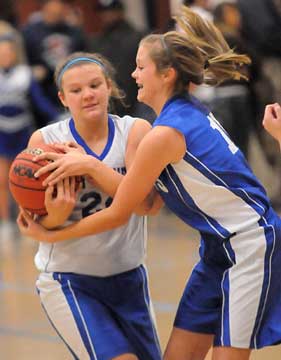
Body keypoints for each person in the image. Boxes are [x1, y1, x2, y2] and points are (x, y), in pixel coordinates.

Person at [17, 6, 281, 360]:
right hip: (216, 247)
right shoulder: (177, 115)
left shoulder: (160, 133)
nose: (134, 73)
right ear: (63, 98)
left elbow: (128, 208)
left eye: (141, 66)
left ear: (167, 74)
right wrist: (54, 213)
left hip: (251, 243)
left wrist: (51, 232)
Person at [17, 52, 162, 360]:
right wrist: (55, 216)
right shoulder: (44, 140)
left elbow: (146, 204)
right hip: (69, 280)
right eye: (77, 90)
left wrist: (91, 167)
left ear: (109, 86)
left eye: (95, 85)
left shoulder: (134, 132)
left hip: (129, 277)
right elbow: (33, 223)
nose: (88, 95)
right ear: (63, 98)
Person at [0, 28, 59, 234]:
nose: (5, 55)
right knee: (1, 179)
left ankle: (26, 216)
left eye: (8, 52)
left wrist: (57, 115)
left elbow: (39, 102)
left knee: (24, 178)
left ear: (14, 53)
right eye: (1, 52)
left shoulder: (25, 74)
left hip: (22, 129)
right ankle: (6, 223)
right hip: (1, 132)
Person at [22, 0, 88, 113]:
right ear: (45, 7)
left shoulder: (74, 31)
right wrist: (31, 70)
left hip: (71, 85)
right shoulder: (30, 32)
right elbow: (21, 63)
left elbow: (85, 58)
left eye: (62, 6)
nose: (58, 10)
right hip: (43, 91)